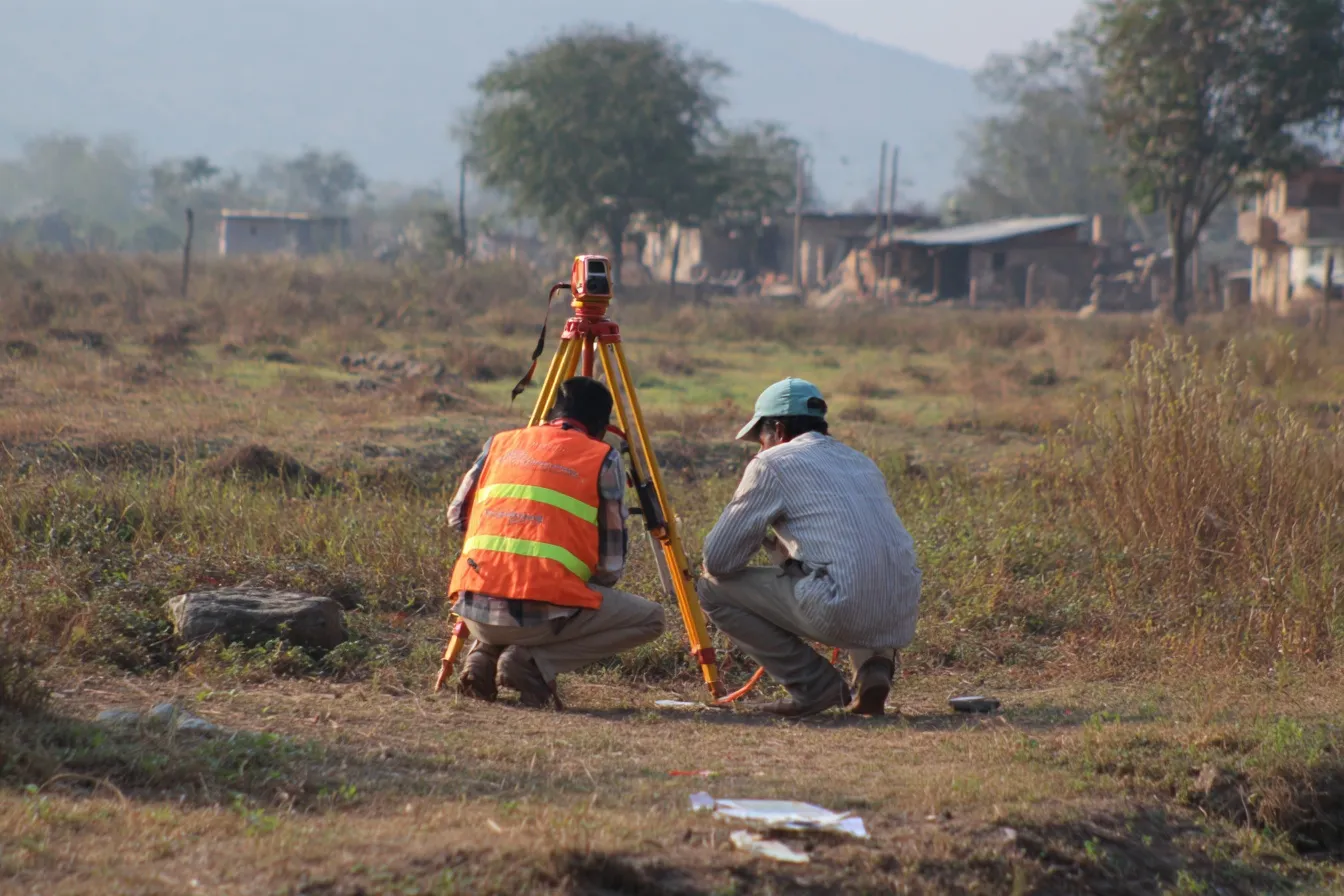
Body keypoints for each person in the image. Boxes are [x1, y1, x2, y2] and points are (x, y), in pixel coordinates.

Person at [697, 378, 922, 718]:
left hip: (841, 607)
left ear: (779, 429)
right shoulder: (861, 462)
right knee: (865, 567)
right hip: (901, 610)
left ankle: (814, 685)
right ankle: (874, 669)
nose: (759, 449)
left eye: (761, 439)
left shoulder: (771, 464)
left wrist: (754, 531)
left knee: (711, 589)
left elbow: (719, 560)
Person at [446, 376, 665, 709]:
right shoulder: (602, 457)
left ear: (550, 413)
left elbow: (457, 517)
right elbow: (610, 564)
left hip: (472, 609)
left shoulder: (500, 443)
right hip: (543, 617)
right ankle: (532, 662)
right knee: (652, 619)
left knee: (512, 594)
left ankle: (483, 654)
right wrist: (573, 581)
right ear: (603, 428)